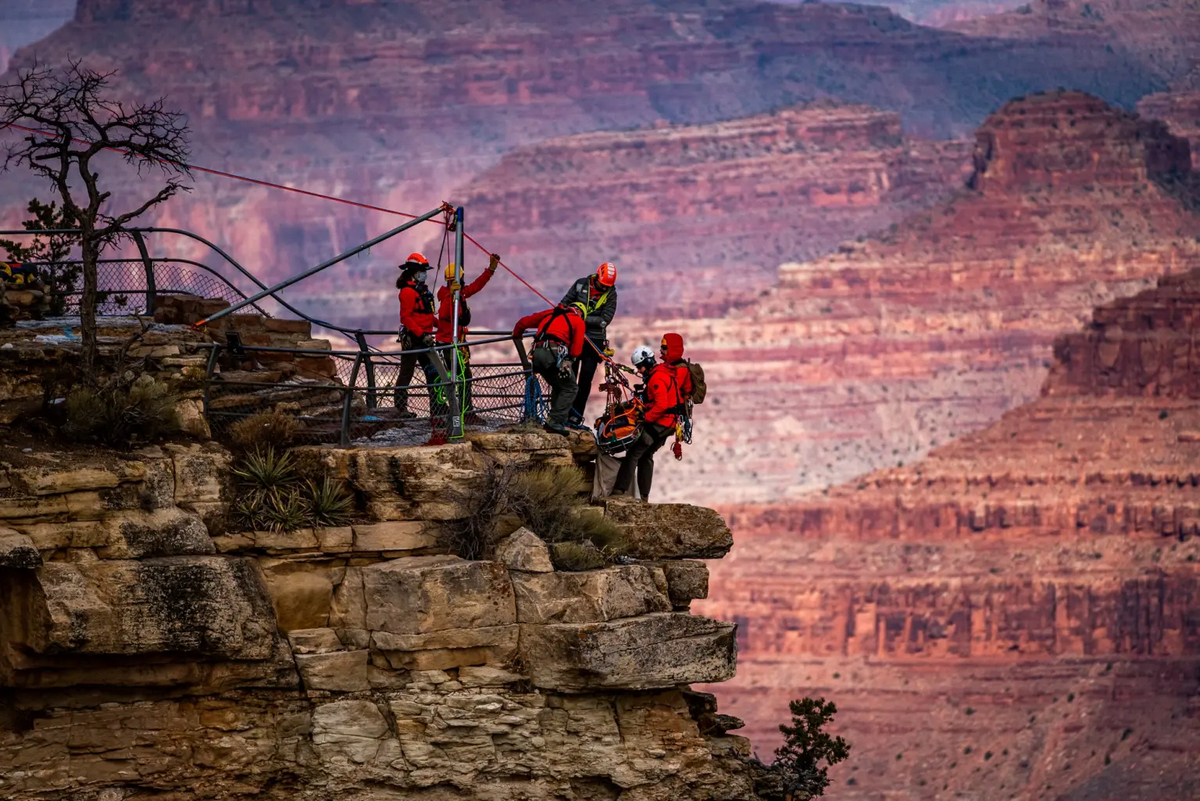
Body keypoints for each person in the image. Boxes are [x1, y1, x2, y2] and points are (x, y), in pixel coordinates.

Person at [613, 333, 692, 501]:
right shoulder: (664, 372)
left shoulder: (656, 377)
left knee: (634, 453)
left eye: (640, 367)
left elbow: (662, 404)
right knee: (646, 455)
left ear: (647, 363)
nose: (639, 371)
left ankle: (618, 492)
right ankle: (643, 497)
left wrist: (646, 417)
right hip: (670, 424)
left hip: (660, 423)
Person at [436, 253, 500, 423]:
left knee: (462, 377)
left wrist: (490, 270)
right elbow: (445, 313)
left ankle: (462, 411)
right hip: (450, 344)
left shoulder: (458, 295)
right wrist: (452, 296)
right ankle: (464, 413)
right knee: (463, 377)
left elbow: (476, 287)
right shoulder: (448, 298)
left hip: (456, 344)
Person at [512, 302, 588, 436]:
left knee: (558, 385)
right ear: (581, 313)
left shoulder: (550, 313)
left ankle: (557, 420)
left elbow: (522, 323)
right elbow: (576, 350)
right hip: (552, 354)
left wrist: (517, 334)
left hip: (537, 355)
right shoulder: (578, 321)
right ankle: (554, 421)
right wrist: (569, 360)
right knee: (571, 388)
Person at [560, 262, 618, 427]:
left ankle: (575, 416)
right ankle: (562, 413)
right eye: (602, 284)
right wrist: (569, 314)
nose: (604, 288)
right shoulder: (580, 285)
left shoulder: (611, 294)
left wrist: (581, 318)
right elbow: (564, 304)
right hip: (573, 337)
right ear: (597, 276)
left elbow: (605, 320)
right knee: (568, 376)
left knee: (584, 381)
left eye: (608, 286)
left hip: (594, 342)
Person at [394, 252, 442, 418]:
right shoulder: (407, 292)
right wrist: (422, 335)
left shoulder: (420, 291)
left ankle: (438, 408)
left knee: (434, 374)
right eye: (422, 271)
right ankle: (399, 410)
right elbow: (406, 318)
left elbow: (426, 316)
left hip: (424, 338)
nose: (425, 274)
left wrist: (443, 325)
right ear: (414, 272)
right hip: (415, 340)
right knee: (406, 373)